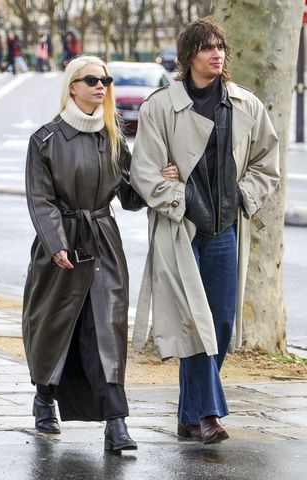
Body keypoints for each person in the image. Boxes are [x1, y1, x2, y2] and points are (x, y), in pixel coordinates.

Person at [130, 18, 280, 445]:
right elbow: (145, 172)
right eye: (207, 48)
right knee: (195, 322)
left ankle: (187, 414)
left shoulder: (245, 105)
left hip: (225, 229)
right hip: (181, 227)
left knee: (222, 321)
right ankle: (210, 415)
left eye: (221, 47)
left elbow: (268, 162)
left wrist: (241, 194)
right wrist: (176, 193)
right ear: (188, 56)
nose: (217, 54)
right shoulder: (160, 106)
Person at [23, 55, 145, 451]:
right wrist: (56, 243)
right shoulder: (44, 139)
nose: (100, 86)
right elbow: (41, 200)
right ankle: (44, 398)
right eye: (91, 79)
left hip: (103, 242)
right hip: (59, 246)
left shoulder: (113, 138)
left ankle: (116, 423)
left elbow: (128, 197)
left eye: (105, 80)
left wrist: (155, 177)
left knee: (107, 329)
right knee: (54, 326)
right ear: (72, 86)